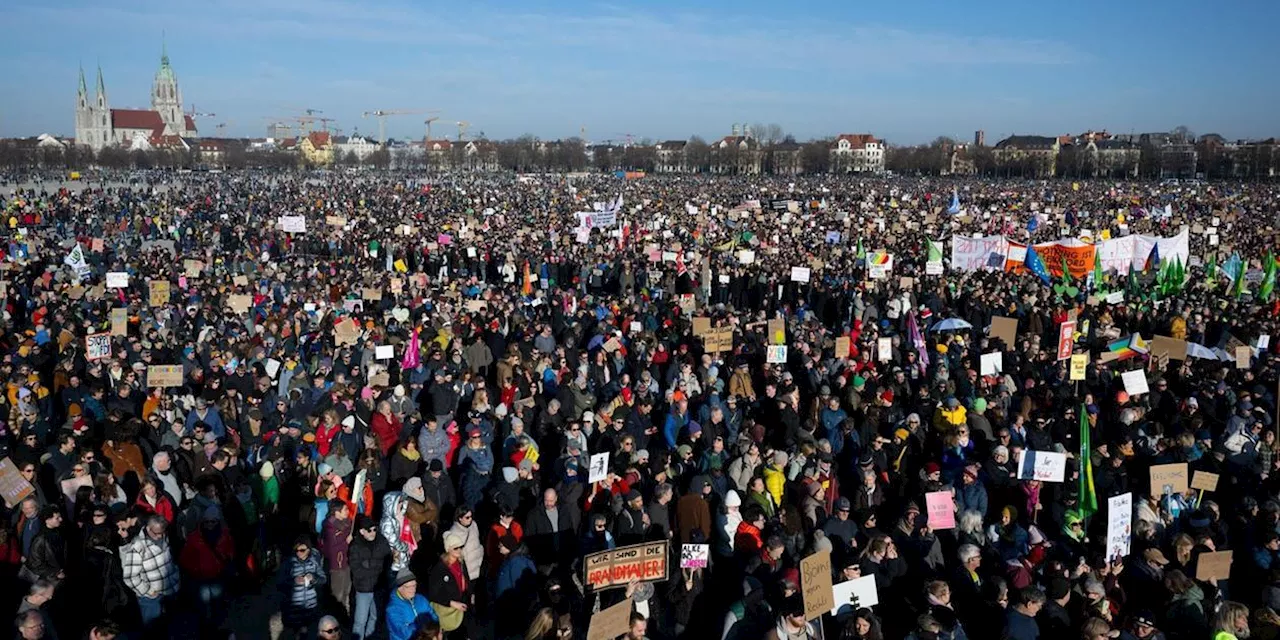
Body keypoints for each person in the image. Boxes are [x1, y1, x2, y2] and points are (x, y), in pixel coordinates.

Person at [350, 514, 391, 640]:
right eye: (369, 530)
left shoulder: (382, 540)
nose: (373, 532)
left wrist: (370, 565)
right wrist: (377, 566)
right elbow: (357, 571)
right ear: (362, 531)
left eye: (374, 529)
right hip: (364, 589)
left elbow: (388, 561)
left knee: (375, 617)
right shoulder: (355, 546)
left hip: (379, 587)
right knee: (360, 621)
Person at [428, 531, 474, 638]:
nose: (459, 550)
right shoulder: (440, 568)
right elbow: (433, 594)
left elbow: (466, 579)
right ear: (448, 549)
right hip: (449, 610)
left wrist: (471, 593)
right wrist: (451, 603)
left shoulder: (460, 561)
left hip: (463, 603)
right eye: (455, 548)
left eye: (460, 547)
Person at [280, 536, 328, 637]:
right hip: (295, 609)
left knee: (311, 634)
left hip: (311, 607)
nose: (299, 553)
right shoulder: (289, 564)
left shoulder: (314, 563)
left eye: (302, 550)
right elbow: (280, 583)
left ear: (308, 550)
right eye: (296, 550)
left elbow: (323, 579)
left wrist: (313, 578)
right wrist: (294, 581)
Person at [387, 568, 438, 640]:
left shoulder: (421, 599)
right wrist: (423, 626)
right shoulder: (392, 609)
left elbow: (434, 617)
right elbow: (404, 634)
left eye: (414, 585)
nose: (413, 589)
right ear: (400, 588)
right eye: (409, 587)